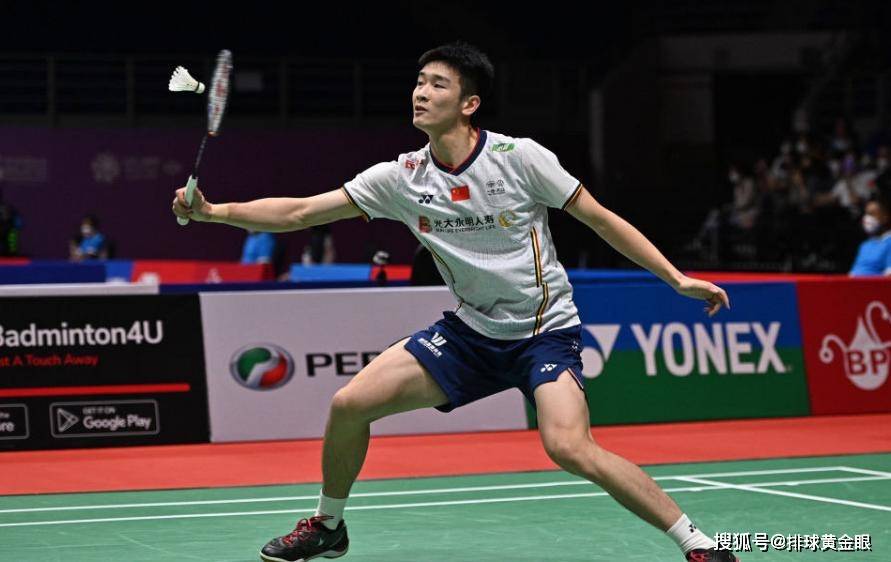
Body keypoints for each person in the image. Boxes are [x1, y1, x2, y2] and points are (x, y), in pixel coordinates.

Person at [172, 42, 734, 562]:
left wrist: (675, 279)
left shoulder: (520, 158)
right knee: (349, 404)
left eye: (437, 84)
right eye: (419, 82)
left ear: (469, 104)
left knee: (569, 447)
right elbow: (301, 212)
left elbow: (601, 219)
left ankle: (698, 544)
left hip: (543, 334)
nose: (421, 92)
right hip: (469, 335)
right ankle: (328, 526)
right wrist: (215, 213)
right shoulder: (401, 177)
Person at [849, 184, 891, 276]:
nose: (867, 218)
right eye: (866, 214)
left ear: (886, 216)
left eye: (872, 214)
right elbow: (853, 274)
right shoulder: (865, 245)